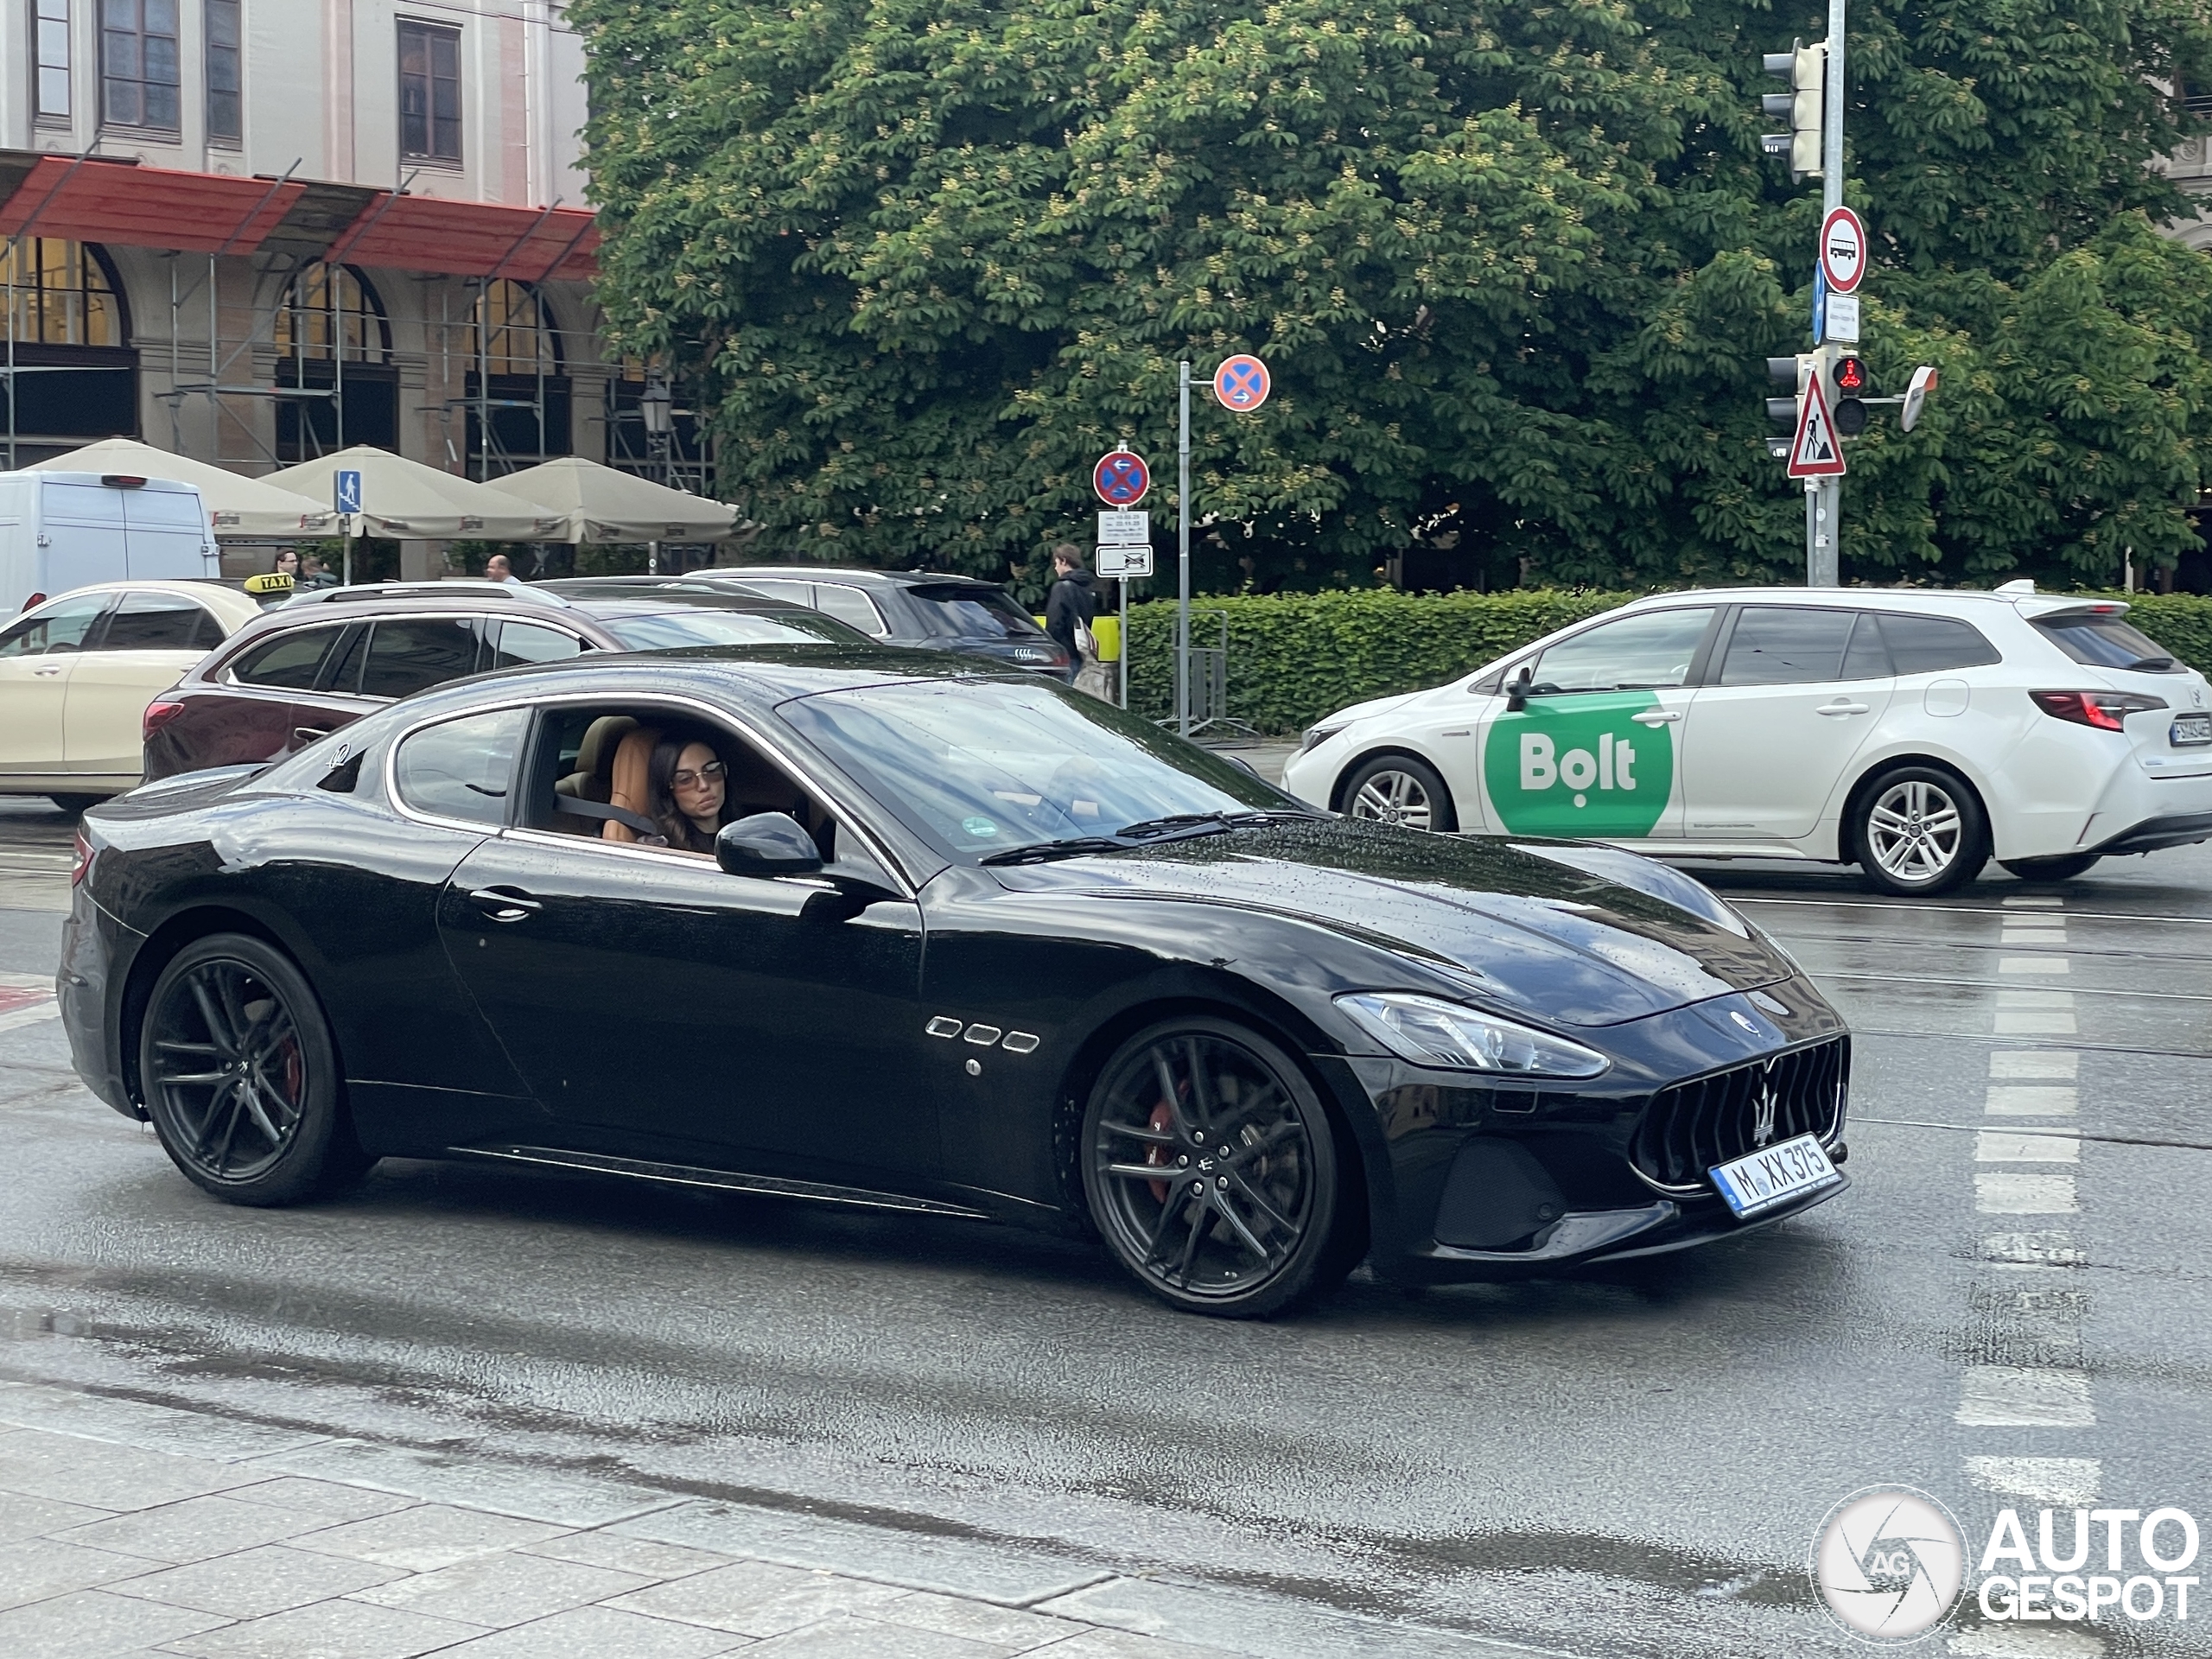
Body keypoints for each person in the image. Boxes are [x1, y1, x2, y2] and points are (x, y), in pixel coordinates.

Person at [645, 730, 734, 854]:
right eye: (686, 779)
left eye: (712, 770)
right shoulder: (663, 850)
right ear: (667, 787)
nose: (703, 786)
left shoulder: (748, 831)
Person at [1045, 544, 1113, 699]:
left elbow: (1055, 623)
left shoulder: (1062, 587)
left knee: (1059, 698)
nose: (1055, 568)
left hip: (1063, 652)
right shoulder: (1088, 588)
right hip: (1079, 651)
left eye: (1056, 563)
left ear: (1063, 561)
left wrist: (1052, 647)